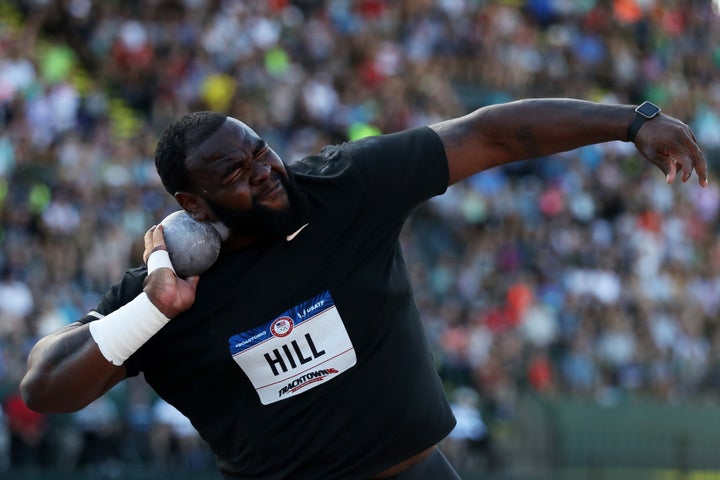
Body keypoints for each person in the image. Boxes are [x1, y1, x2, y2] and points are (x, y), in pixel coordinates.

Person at [19, 98, 707, 479]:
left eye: (260, 149)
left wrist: (632, 122)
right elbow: (46, 388)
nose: (264, 172)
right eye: (233, 173)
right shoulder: (169, 288)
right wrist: (152, 308)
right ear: (191, 204)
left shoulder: (341, 188)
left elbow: (490, 134)